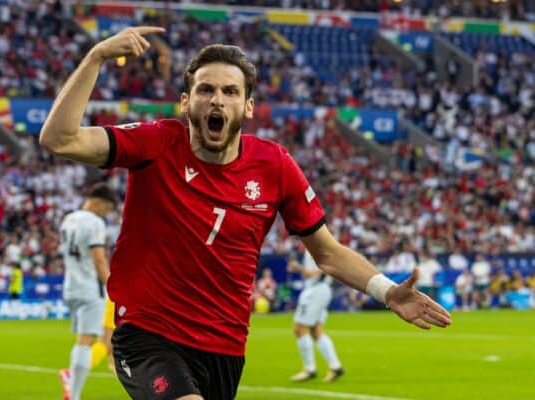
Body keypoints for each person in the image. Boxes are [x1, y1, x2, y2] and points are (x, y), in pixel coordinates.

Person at [40, 26, 451, 400]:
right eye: (205, 90)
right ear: (186, 102)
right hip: (148, 334)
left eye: (230, 91)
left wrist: (385, 290)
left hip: (224, 347)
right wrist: (95, 57)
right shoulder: (156, 143)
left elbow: (325, 251)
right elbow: (60, 138)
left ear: (248, 106)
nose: (217, 99)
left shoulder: (274, 165)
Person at [57, 183, 116, 400]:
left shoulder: (68, 219)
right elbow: (99, 258)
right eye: (107, 208)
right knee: (85, 343)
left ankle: (73, 391)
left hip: (71, 287)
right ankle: (74, 394)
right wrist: (111, 286)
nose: (106, 214)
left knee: (84, 340)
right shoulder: (94, 222)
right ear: (99, 202)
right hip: (90, 289)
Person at [287, 250, 344, 383]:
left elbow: (319, 269)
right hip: (321, 289)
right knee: (316, 331)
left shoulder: (313, 242)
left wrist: (298, 268)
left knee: (299, 328)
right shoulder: (312, 243)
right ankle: (335, 366)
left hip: (316, 289)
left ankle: (309, 369)